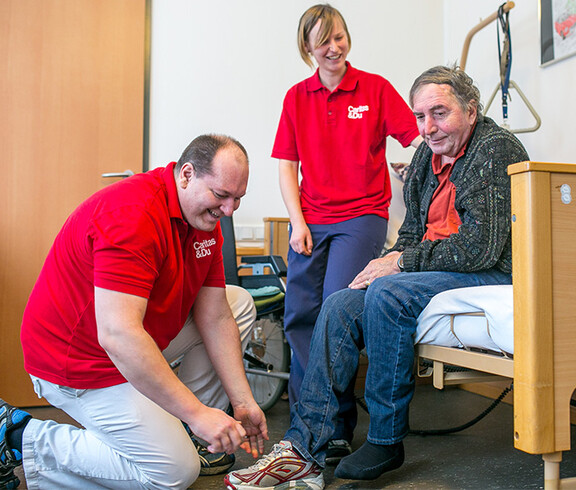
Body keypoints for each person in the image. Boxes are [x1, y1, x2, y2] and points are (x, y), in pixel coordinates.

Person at [224, 65, 529, 489]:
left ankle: (386, 439)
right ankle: (306, 448)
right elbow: (409, 233)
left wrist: (399, 264)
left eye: (439, 113)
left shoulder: (495, 150)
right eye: (420, 116)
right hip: (441, 266)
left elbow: (482, 247)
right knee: (342, 302)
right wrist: (388, 259)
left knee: (388, 292)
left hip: (489, 271)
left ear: (471, 111)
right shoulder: (427, 155)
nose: (428, 127)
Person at [0, 134, 268, 489]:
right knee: (173, 473)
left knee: (237, 302)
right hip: (79, 361)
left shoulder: (204, 222)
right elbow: (118, 335)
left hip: (129, 341)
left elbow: (216, 315)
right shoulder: (133, 216)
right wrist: (199, 412)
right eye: (221, 195)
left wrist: (243, 401)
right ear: (186, 175)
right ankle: (17, 434)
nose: (229, 210)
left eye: (238, 199)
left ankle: (184, 430)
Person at [273, 3, 422, 462]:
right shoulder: (297, 97)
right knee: (298, 314)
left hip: (361, 217)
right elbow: (286, 166)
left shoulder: (374, 89)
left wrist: (414, 165)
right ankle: (305, 423)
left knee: (336, 309)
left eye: (339, 37)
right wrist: (297, 223)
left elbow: (416, 138)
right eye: (323, 40)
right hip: (312, 219)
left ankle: (335, 427)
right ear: (307, 48)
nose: (334, 47)